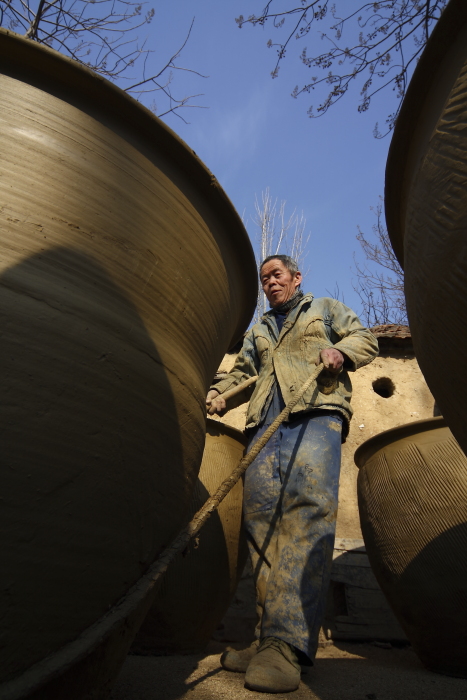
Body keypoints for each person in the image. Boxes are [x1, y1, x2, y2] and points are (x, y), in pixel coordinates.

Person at [206, 255, 378, 694]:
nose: (270, 284)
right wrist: (219, 395)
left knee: (306, 516)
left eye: (276, 276)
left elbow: (365, 338)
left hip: (316, 413)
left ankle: (287, 645)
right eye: (265, 280)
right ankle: (267, 639)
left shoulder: (323, 309)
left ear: (296, 278)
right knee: (260, 525)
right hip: (266, 424)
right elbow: (243, 374)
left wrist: (341, 350)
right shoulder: (259, 330)